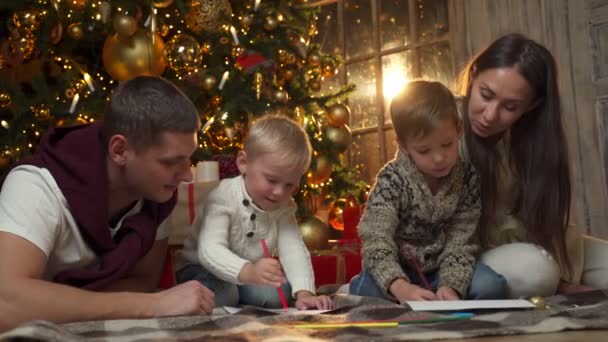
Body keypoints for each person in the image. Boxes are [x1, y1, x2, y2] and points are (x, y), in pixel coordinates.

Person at [0, 76, 214, 332]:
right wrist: (152, 305)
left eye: (189, 159)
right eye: (170, 162)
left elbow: (143, 280)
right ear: (120, 150)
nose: (187, 175)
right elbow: (6, 303)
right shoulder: (36, 187)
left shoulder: (157, 194)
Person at [456, 33, 607, 298]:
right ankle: (552, 279)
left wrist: (563, 271)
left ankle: (556, 275)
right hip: (470, 255)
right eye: (486, 94)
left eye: (510, 107)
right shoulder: (443, 125)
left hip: (542, 246)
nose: (490, 115)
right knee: (536, 270)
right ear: (474, 75)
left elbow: (547, 222)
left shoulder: (531, 140)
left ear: (531, 106)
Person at [349, 80, 507, 302]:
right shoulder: (391, 180)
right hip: (398, 271)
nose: (439, 158)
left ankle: (435, 294)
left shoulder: (468, 179)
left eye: (447, 144)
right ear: (403, 146)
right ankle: (365, 285)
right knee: (369, 291)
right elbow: (376, 237)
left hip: (440, 270)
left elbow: (461, 240)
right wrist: (399, 286)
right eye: (424, 150)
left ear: (459, 130)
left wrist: (451, 286)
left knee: (492, 287)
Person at [175, 115, 334, 310]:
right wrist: (248, 271)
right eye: (271, 180)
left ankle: (243, 295)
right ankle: (237, 295)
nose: (279, 192)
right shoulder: (223, 195)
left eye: (289, 185)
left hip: (248, 271)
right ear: (243, 163)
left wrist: (305, 292)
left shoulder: (284, 205)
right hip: (201, 267)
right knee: (225, 294)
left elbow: (293, 249)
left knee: (278, 296)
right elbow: (210, 251)